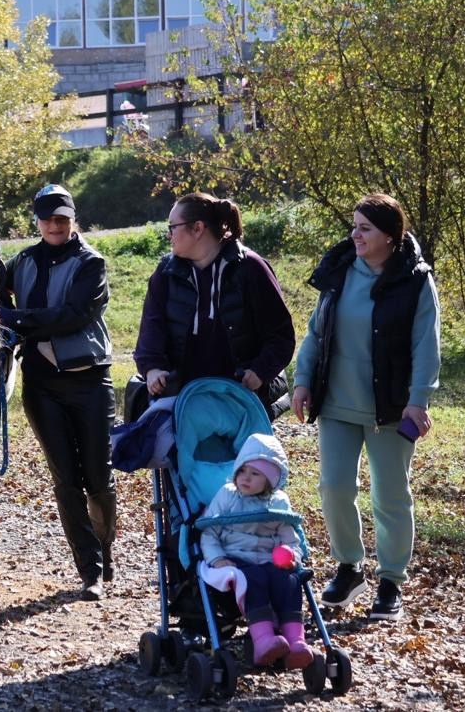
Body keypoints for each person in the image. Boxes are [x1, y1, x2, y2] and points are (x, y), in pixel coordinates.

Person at [291, 192, 441, 621]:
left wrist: (418, 401)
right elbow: (316, 333)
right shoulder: (340, 271)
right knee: (334, 488)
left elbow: (425, 345)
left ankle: (391, 581)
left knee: (390, 495)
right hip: (337, 402)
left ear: (391, 236)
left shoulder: (416, 281)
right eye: (354, 227)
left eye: (365, 228)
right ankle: (349, 567)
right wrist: (302, 381)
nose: (354, 235)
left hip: (391, 406)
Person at [0, 185, 115, 601]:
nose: (54, 225)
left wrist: (14, 318)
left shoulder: (91, 263)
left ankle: (106, 550)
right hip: (42, 385)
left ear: (73, 219)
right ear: (37, 221)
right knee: (66, 480)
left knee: (98, 478)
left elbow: (72, 317)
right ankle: (91, 571)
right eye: (47, 218)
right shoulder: (23, 261)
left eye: (62, 218)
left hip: (89, 381)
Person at [133, 193, 295, 418]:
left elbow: (280, 336)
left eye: (173, 227)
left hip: (242, 401)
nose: (169, 235)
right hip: (182, 400)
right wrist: (152, 369)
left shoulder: (252, 269)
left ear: (198, 228)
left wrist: (259, 372)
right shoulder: (165, 272)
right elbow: (151, 328)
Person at [200, 433, 313, 670]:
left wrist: (291, 554)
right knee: (255, 579)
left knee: (290, 581)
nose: (245, 478)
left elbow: (289, 536)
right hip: (236, 558)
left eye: (255, 474)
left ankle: (296, 643)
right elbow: (209, 532)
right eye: (242, 471)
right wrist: (218, 559)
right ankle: (263, 641)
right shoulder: (227, 495)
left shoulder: (278, 501)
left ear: (270, 481)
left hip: (271, 559)